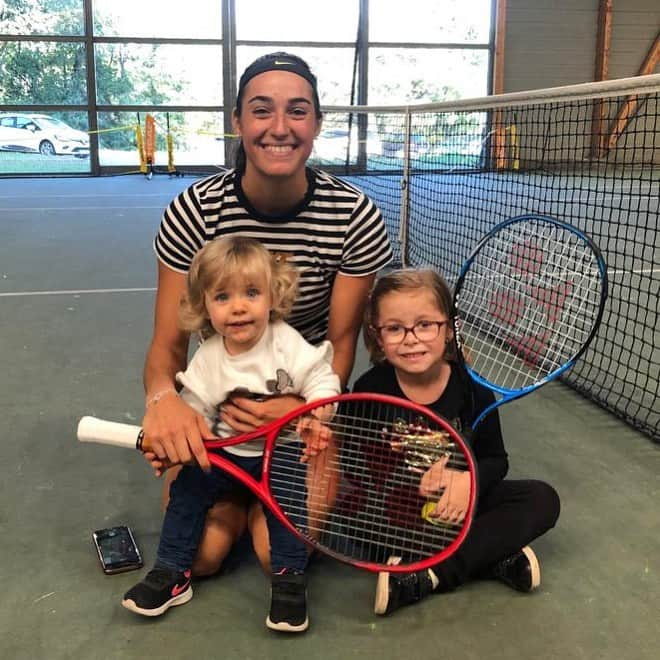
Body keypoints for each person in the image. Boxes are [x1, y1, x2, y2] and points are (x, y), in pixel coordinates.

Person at [140, 51, 391, 615]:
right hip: (216, 423)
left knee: (273, 549)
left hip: (299, 412)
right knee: (200, 555)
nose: (280, 128)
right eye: (262, 111)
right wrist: (165, 404)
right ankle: (234, 494)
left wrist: (302, 411)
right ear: (237, 122)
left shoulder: (354, 216)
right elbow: (167, 346)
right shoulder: (192, 213)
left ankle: (271, 497)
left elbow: (340, 345)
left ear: (317, 124)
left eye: (297, 112)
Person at [124, 236, 341, 632]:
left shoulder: (287, 343)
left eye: (252, 293)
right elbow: (193, 408)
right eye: (222, 297)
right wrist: (177, 445)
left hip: (281, 450)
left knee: (287, 508)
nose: (238, 307)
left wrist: (315, 414)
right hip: (226, 456)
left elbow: (322, 377)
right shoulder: (209, 356)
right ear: (204, 306)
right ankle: (171, 572)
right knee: (187, 491)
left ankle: (290, 579)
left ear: (272, 297)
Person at [352, 268, 561, 615]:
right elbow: (358, 465)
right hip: (404, 508)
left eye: (425, 324)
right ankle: (492, 555)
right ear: (377, 336)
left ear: (448, 329)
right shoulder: (369, 391)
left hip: (467, 503)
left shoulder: (474, 390)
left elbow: (496, 460)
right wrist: (410, 484)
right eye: (394, 328)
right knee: (355, 520)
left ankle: (426, 575)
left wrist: (467, 480)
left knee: (542, 499)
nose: (411, 338)